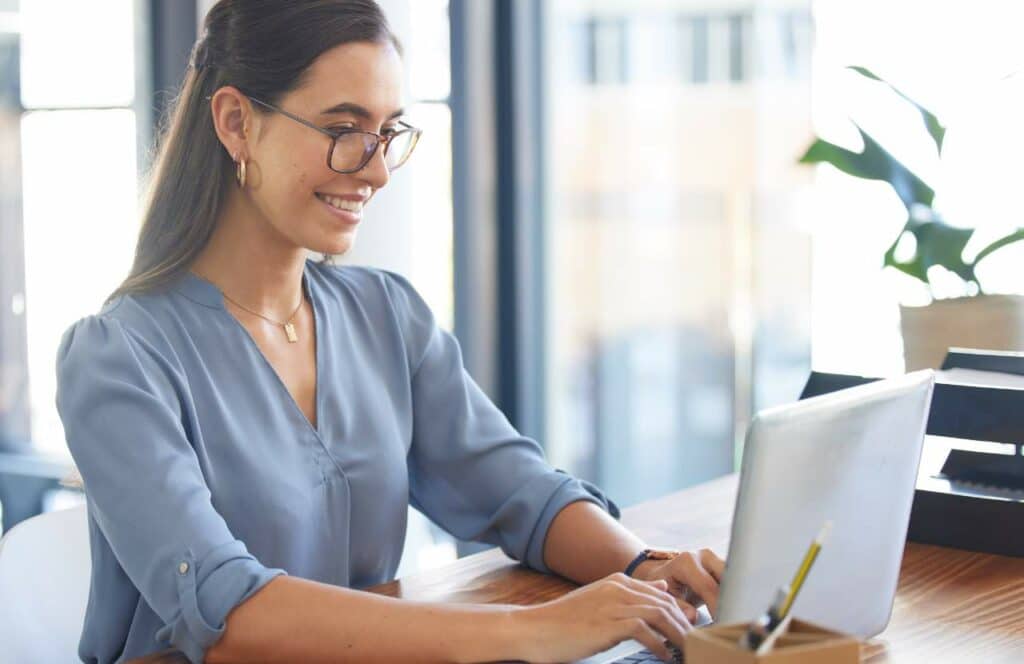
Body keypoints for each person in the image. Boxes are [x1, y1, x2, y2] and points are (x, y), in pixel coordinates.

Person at [55, 1, 724, 662]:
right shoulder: (117, 359)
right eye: (344, 128)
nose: (376, 170)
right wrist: (536, 630)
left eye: (387, 132)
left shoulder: (385, 314)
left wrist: (640, 570)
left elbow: (523, 493)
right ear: (236, 123)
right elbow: (227, 616)